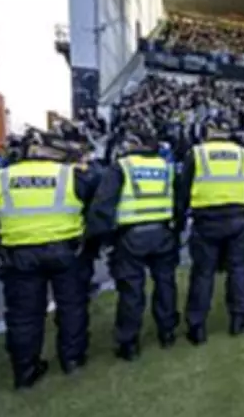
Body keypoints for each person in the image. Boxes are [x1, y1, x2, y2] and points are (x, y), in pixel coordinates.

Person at [0, 135, 97, 387]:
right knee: (72, 307)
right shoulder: (71, 176)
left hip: (19, 255)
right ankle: (72, 360)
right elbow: (91, 210)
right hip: (65, 251)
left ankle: (25, 371)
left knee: (24, 316)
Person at [86, 133, 182, 361]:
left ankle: (129, 343)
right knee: (166, 284)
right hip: (162, 233)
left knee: (131, 290)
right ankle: (167, 332)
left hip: (130, 237)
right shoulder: (166, 167)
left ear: (134, 145)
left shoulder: (121, 167)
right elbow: (178, 202)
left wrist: (104, 239)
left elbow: (103, 205)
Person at [179, 123, 244, 344]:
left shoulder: (197, 153)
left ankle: (197, 325)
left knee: (203, 273)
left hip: (207, 219)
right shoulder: (243, 154)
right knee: (238, 269)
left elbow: (184, 188)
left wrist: (179, 219)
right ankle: (239, 317)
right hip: (237, 217)